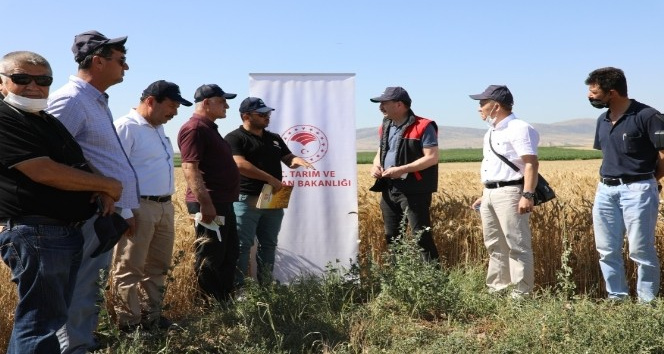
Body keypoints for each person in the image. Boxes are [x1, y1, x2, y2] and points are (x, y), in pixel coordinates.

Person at [0, 51, 122, 354]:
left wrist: (101, 187)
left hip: (59, 233)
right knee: (40, 324)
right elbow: (42, 170)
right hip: (37, 231)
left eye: (43, 80)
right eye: (21, 78)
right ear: (2, 82)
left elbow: (77, 163)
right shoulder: (5, 118)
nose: (33, 86)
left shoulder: (46, 121)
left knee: (45, 321)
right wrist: (107, 184)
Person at [46, 30, 139, 353]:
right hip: (85, 213)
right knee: (80, 287)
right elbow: (51, 157)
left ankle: (81, 340)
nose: (126, 68)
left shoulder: (94, 100)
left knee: (89, 285)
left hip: (104, 212)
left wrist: (125, 207)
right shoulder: (71, 100)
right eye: (121, 61)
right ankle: (73, 347)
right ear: (98, 61)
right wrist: (99, 188)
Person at [111, 80, 192, 331]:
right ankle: (129, 324)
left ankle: (152, 318)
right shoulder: (126, 127)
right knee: (129, 268)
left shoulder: (156, 127)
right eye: (171, 106)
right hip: (137, 206)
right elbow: (114, 170)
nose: (175, 113)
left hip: (165, 206)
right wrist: (124, 211)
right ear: (150, 101)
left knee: (157, 267)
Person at [585, 67, 664, 303]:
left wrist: (651, 181)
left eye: (594, 92)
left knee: (640, 250)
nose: (590, 96)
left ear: (612, 92)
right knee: (607, 250)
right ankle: (617, 297)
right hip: (605, 191)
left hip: (638, 190)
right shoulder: (603, 119)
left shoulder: (648, 116)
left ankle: (646, 303)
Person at [225, 97, 314, 287]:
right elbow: (239, 164)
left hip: (273, 198)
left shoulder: (274, 138)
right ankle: (239, 289)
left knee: (269, 245)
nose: (267, 117)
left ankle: (266, 287)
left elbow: (288, 157)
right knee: (242, 246)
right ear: (246, 116)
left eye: (268, 113)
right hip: (246, 198)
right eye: (262, 114)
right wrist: (269, 179)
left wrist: (297, 160)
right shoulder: (234, 138)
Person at [469, 85, 539, 298]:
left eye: (483, 103)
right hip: (491, 193)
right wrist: (486, 193)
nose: (479, 108)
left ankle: (521, 295)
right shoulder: (491, 131)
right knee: (494, 245)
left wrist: (527, 194)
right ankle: (497, 290)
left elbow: (530, 163)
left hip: (511, 193)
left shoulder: (519, 128)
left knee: (517, 245)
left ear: (496, 106)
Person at [177, 84, 240, 303]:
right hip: (210, 203)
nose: (227, 106)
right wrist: (206, 204)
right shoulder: (195, 129)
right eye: (222, 101)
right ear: (206, 103)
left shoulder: (209, 128)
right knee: (211, 255)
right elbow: (189, 168)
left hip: (222, 202)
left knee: (228, 252)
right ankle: (209, 303)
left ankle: (224, 299)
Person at [369, 86, 440, 261]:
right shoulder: (385, 126)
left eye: (384, 103)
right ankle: (397, 281)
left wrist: (401, 170)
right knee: (392, 237)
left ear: (399, 104)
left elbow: (431, 158)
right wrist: (375, 165)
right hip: (389, 188)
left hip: (414, 191)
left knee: (421, 237)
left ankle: (434, 281)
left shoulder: (423, 126)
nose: (380, 107)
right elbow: (382, 150)